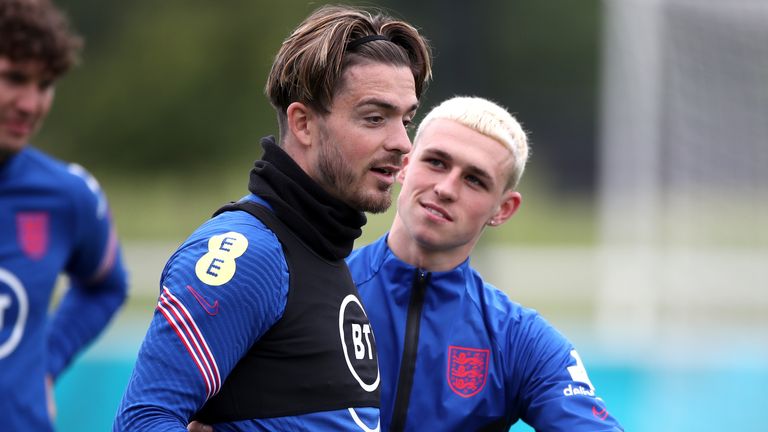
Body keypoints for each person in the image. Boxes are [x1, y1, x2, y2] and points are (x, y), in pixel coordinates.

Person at [114, 4, 432, 431]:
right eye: (375, 118)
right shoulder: (250, 253)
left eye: (406, 120)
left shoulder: (320, 249)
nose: (402, 143)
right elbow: (144, 420)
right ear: (303, 123)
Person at [346, 96, 624, 431]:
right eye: (436, 162)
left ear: (503, 210)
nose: (446, 189)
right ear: (405, 164)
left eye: (475, 180)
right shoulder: (315, 286)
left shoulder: (518, 340)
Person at [0, 0, 129, 431]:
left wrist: (47, 364)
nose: (31, 103)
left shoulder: (67, 196)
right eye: (15, 79)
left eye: (45, 84)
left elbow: (106, 287)